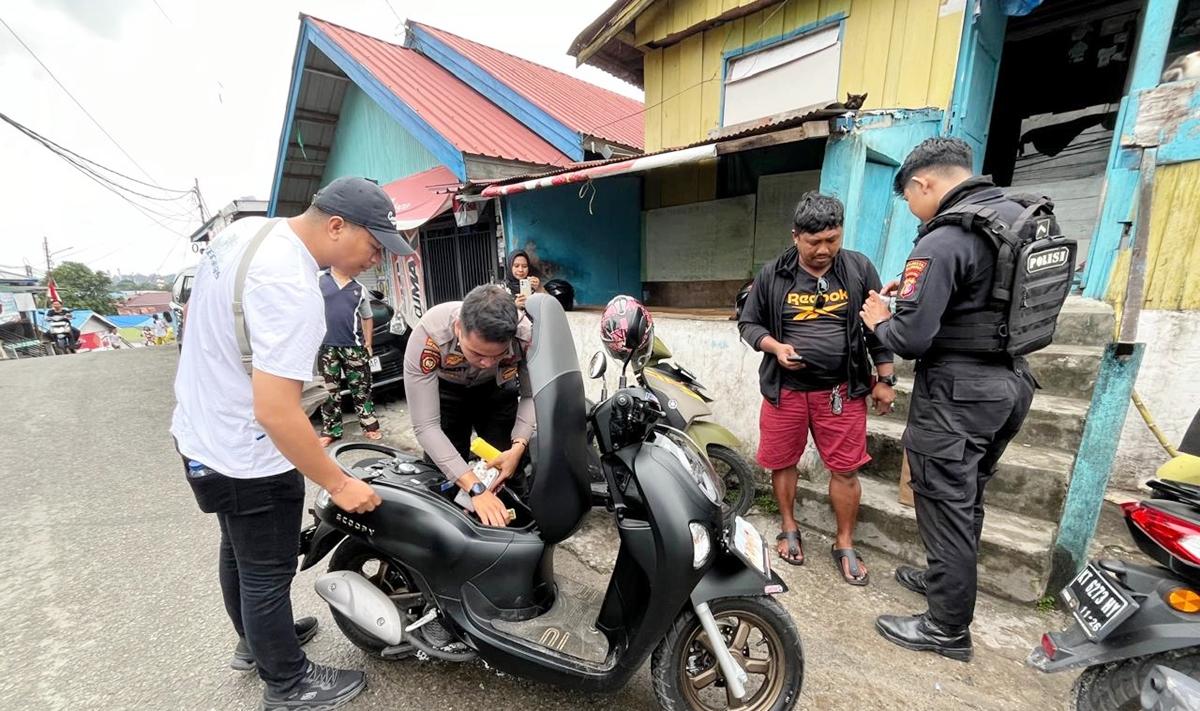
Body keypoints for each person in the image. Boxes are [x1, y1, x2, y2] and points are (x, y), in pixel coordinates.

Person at [171, 176, 413, 710]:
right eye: (374, 244)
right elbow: (276, 410)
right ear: (336, 226)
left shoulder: (247, 233)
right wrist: (338, 483)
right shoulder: (293, 288)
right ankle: (287, 682)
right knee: (267, 570)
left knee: (239, 550)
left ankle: (257, 643)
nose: (376, 258)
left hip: (201, 431)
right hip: (247, 450)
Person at [860, 137, 1037, 662]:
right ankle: (945, 583)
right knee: (967, 497)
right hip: (1010, 383)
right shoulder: (1014, 217)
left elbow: (910, 339)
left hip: (959, 394)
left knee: (945, 505)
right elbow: (984, 298)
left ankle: (946, 628)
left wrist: (880, 320)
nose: (912, 209)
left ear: (924, 183)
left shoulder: (945, 237)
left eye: (908, 199)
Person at [739, 192, 896, 584]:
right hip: (786, 391)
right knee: (783, 462)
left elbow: (876, 328)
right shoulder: (773, 274)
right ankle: (789, 527)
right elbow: (749, 324)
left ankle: (844, 541)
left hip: (841, 392)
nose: (824, 250)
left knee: (846, 469)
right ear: (796, 236)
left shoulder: (859, 269)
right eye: (814, 242)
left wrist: (885, 379)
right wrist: (775, 348)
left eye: (832, 239)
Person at [404, 284, 532, 528]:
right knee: (442, 474)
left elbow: (530, 395)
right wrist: (476, 488)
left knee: (507, 469)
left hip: (496, 390)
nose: (487, 363)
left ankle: (521, 530)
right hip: (446, 392)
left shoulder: (525, 335)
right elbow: (426, 427)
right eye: (477, 353)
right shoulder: (429, 337)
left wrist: (518, 447)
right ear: (458, 328)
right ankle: (446, 534)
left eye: (498, 355)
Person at [317, 267, 381, 446]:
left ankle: (370, 426)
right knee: (329, 391)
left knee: (362, 388)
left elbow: (367, 317)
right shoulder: (319, 280)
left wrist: (368, 343)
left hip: (354, 347)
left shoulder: (359, 288)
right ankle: (331, 430)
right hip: (326, 346)